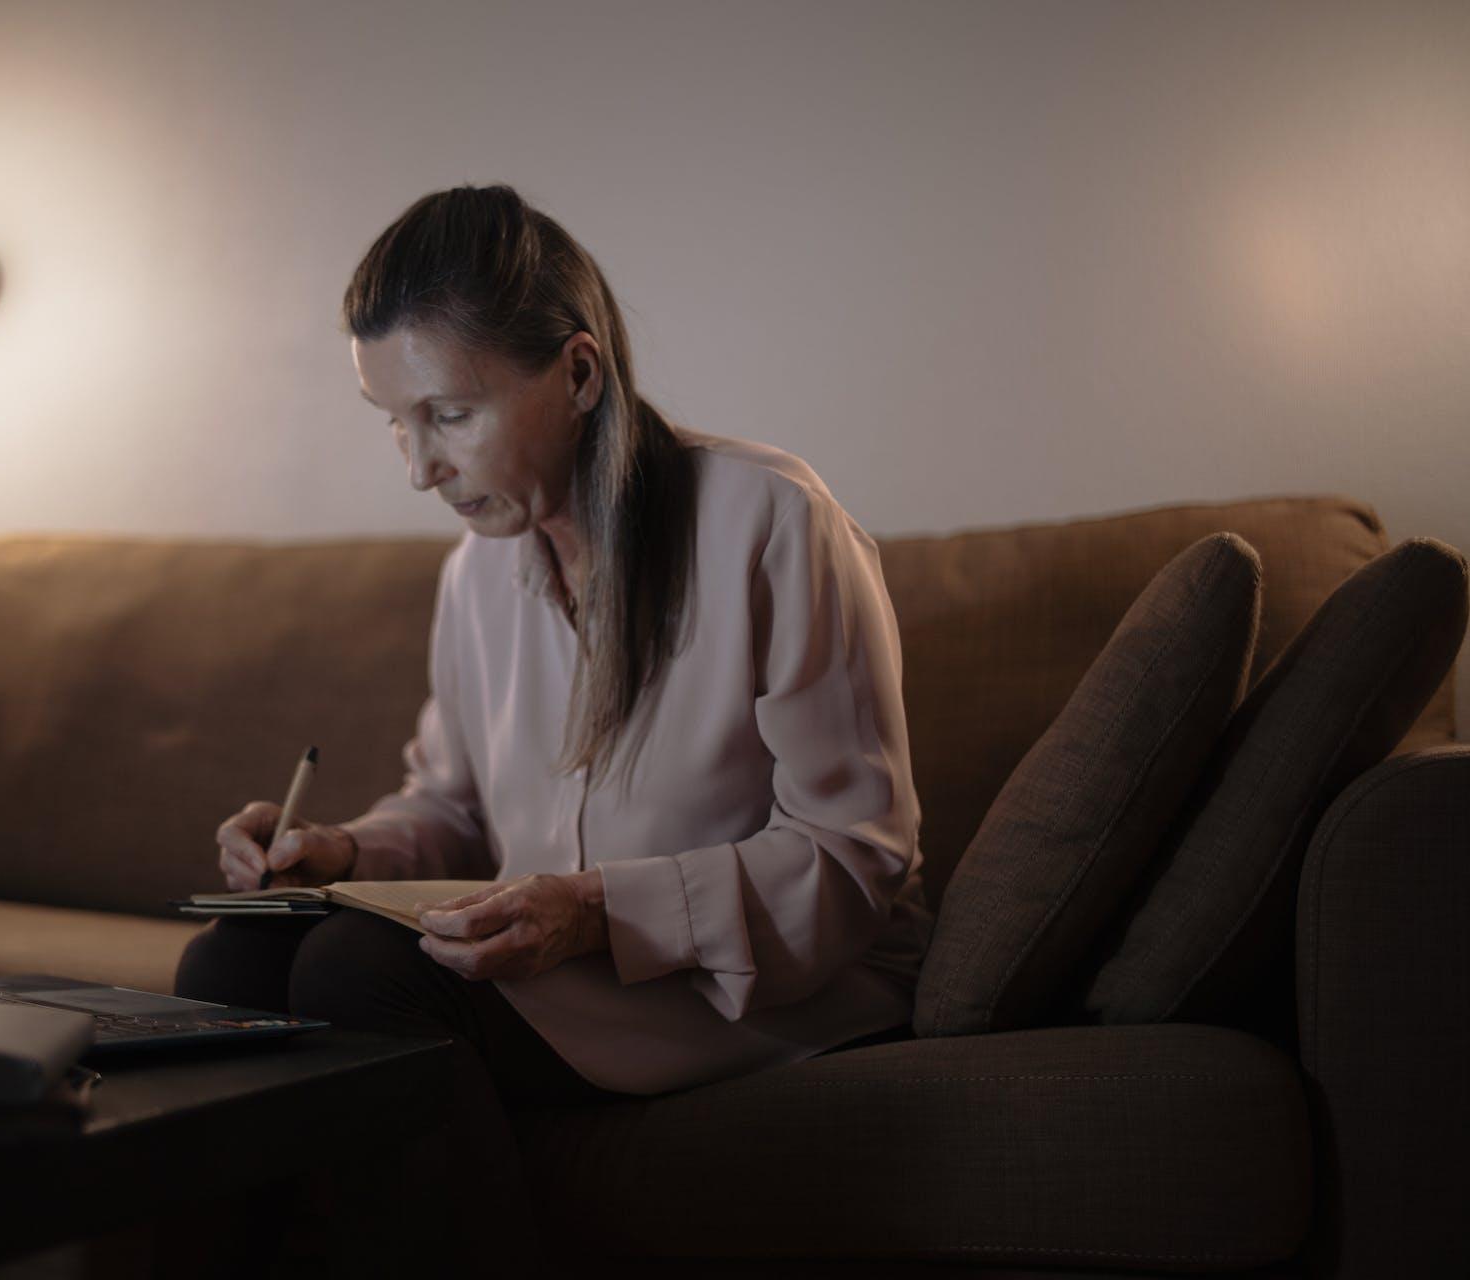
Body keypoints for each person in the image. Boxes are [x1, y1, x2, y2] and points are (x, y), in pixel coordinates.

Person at [174, 183, 932, 1275]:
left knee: (353, 975)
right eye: (395, 422)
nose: (418, 467)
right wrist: (338, 851)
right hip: (560, 962)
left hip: (763, 984)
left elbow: (855, 858)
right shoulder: (475, 574)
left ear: (579, 373)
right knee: (232, 961)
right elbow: (450, 803)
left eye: (449, 414)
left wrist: (592, 910)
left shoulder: (771, 520)